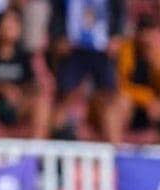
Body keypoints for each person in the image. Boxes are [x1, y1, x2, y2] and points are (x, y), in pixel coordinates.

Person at [50, 0, 125, 143]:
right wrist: (59, 35)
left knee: (108, 100)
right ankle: (55, 149)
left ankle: (115, 153)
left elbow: (119, 11)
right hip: (73, 49)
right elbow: (56, 12)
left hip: (103, 50)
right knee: (65, 97)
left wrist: (117, 35)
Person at [0, 6, 50, 138]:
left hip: (18, 106)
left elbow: (33, 84)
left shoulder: (24, 57)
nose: (9, 27)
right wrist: (3, 89)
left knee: (41, 101)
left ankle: (35, 151)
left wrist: (20, 93)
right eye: (6, 23)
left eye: (14, 23)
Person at [116, 15, 160, 142]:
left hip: (154, 106)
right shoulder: (126, 50)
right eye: (146, 34)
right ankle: (119, 150)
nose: (149, 40)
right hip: (134, 104)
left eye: (153, 35)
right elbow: (121, 85)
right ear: (138, 34)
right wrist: (147, 99)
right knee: (122, 101)